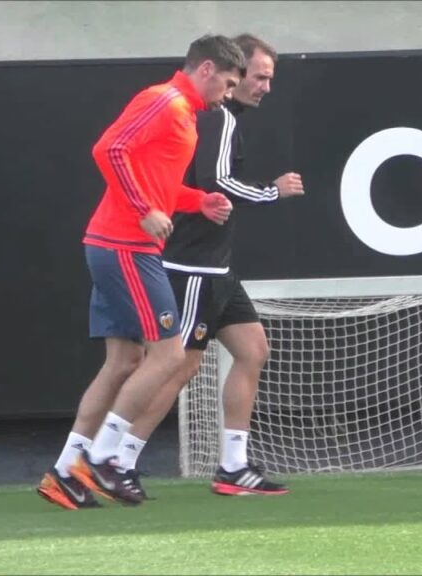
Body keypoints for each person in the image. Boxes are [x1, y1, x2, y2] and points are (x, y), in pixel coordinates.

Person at [36, 34, 246, 510]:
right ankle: (104, 457)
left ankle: (65, 472)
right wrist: (143, 209)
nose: (228, 94)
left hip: (115, 244)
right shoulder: (165, 101)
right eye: (228, 83)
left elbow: (159, 183)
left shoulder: (184, 114)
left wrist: (197, 200)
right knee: (170, 355)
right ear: (207, 69)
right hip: (126, 246)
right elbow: (108, 150)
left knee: (124, 363)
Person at [112, 33, 303, 497]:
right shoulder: (216, 118)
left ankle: (233, 466)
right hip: (192, 264)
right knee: (179, 366)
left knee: (253, 349)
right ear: (229, 75)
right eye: (257, 77)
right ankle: (117, 460)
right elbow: (217, 183)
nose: (263, 87)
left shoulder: (222, 117)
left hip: (216, 266)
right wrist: (273, 191)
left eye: (267, 79)